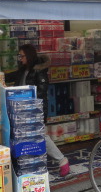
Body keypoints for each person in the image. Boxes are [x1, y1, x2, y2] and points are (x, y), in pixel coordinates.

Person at [5, 44, 70, 177]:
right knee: (30, 137)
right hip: (22, 110)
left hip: (35, 109)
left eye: (21, 56)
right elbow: (10, 77)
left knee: (40, 136)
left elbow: (41, 91)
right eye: (19, 56)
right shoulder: (23, 70)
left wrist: (26, 98)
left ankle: (62, 160)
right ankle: (29, 164)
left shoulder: (39, 71)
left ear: (28, 56)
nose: (19, 59)